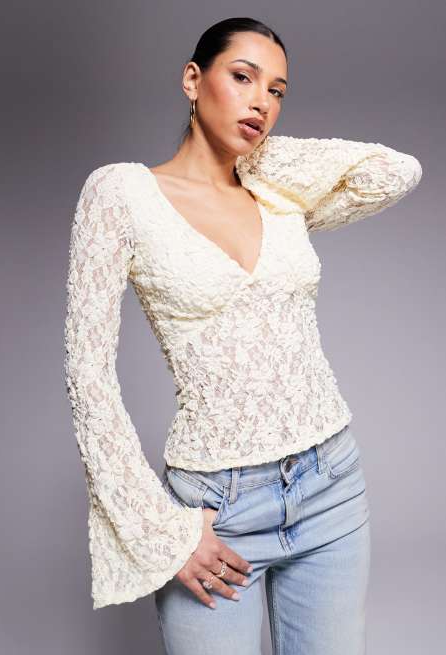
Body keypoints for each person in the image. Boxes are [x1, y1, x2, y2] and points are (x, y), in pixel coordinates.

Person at [63, 16, 422, 655]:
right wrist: (161, 533)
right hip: (218, 507)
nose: (262, 103)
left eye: (277, 91)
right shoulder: (121, 193)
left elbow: (395, 172)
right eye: (243, 78)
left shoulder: (278, 196)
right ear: (192, 80)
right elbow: (87, 372)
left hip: (331, 485)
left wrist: (256, 153)